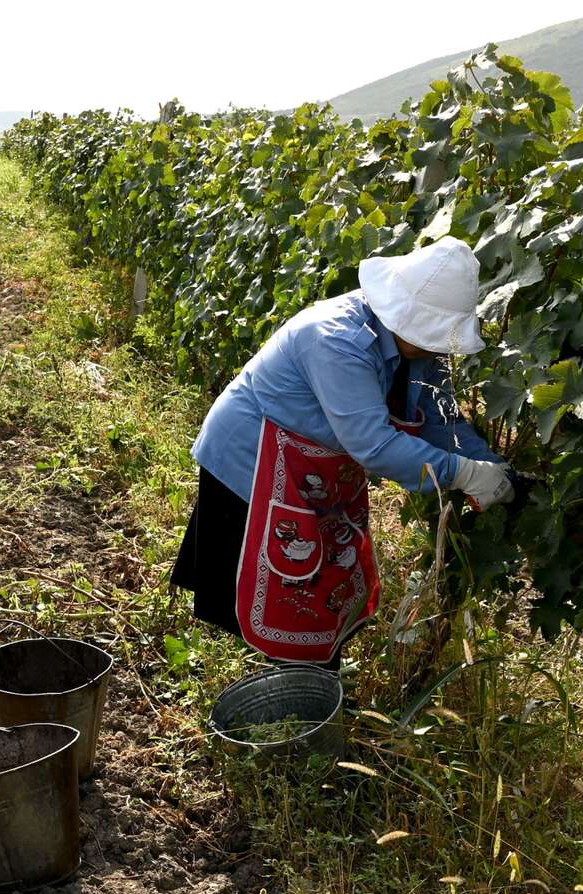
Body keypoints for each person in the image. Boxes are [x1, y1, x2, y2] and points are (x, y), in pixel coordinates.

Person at [171, 237, 515, 665]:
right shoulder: (337, 340)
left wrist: (488, 464)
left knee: (319, 580)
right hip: (253, 457)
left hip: (312, 464)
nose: (438, 348)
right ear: (403, 317)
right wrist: (461, 474)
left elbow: (442, 418)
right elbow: (373, 444)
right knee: (270, 577)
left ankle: (301, 672)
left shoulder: (421, 351)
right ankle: (279, 685)